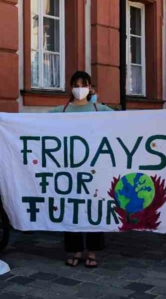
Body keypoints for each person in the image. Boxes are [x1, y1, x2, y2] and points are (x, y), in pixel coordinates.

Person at [49, 71, 113, 268]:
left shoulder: (99, 109)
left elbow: (122, 123)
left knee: (94, 208)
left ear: (90, 87)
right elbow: (35, 125)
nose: (79, 89)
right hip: (68, 169)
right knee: (72, 208)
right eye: (76, 85)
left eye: (83, 85)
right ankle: (76, 249)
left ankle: (92, 251)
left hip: (94, 169)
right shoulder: (61, 111)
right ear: (70, 87)